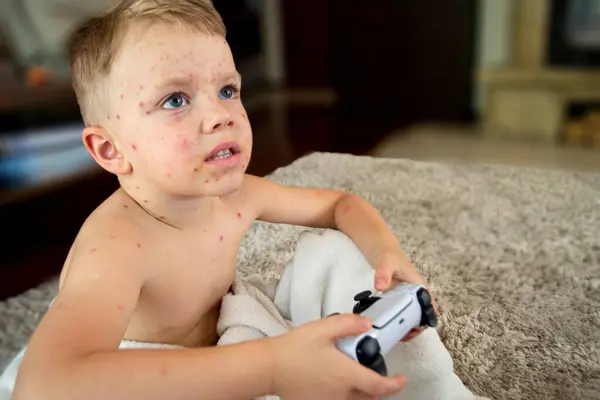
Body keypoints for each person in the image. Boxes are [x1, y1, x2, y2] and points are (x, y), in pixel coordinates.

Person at [11, 1, 434, 398]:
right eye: (175, 99)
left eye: (228, 90)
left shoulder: (236, 196)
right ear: (111, 150)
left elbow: (340, 205)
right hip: (138, 377)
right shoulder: (116, 245)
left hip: (227, 339)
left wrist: (387, 253)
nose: (222, 114)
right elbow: (46, 384)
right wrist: (271, 367)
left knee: (334, 251)